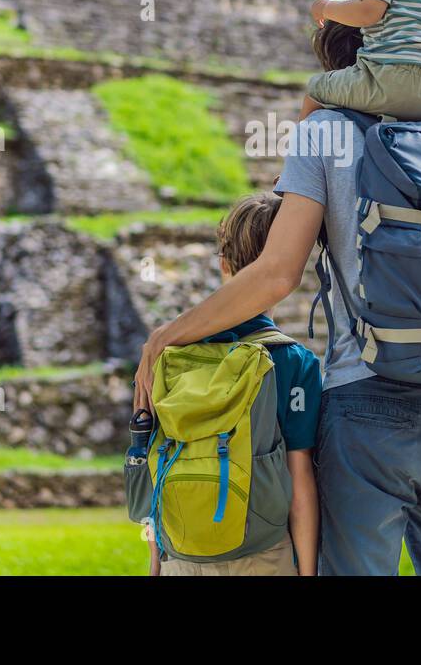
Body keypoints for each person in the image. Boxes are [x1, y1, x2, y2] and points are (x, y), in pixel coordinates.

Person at [135, 21, 421, 576]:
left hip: (371, 399)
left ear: (334, 67)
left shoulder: (326, 132)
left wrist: (166, 336)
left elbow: (276, 274)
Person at [141, 194, 321, 576]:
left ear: (224, 265)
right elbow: (299, 480)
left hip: (182, 556)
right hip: (262, 555)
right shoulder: (293, 362)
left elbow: (155, 463)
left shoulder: (171, 356)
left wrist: (157, 564)